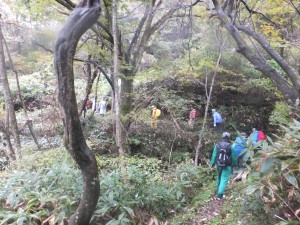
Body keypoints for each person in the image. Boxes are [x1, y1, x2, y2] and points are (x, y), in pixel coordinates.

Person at [210, 132, 236, 200]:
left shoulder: (217, 145)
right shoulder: (231, 146)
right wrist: (236, 164)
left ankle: (218, 190)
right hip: (227, 165)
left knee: (219, 177)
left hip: (218, 164)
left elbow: (214, 155)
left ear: (222, 137)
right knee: (224, 179)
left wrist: (212, 164)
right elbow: (233, 156)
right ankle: (219, 195)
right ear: (229, 138)